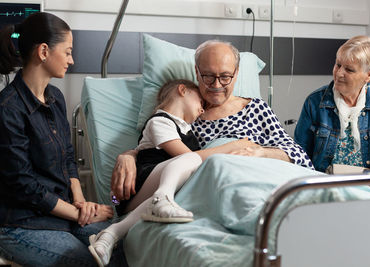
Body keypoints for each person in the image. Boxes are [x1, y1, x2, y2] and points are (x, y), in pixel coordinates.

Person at [110, 39, 313, 203]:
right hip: (222, 193)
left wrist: (260, 152)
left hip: (272, 181)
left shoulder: (257, 108)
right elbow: (155, 149)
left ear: (236, 75)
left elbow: (299, 156)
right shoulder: (186, 118)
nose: (217, 85)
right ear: (197, 72)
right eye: (208, 76)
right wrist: (129, 155)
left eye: (225, 77)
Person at [0, 12, 127, 266]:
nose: (72, 59)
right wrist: (81, 213)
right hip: (21, 223)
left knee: (122, 246)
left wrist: (80, 201)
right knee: (87, 261)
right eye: (67, 52)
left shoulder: (55, 97)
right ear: (44, 51)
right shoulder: (8, 108)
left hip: (63, 214)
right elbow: (25, 187)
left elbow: (68, 157)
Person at [88, 79, 254, 266]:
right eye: (200, 102)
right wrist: (233, 145)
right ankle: (162, 197)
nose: (202, 110)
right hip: (134, 188)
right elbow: (188, 157)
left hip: (152, 192)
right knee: (190, 161)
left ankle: (110, 235)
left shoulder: (187, 130)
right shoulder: (159, 121)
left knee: (183, 178)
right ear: (182, 90)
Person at [294, 35, 370, 196]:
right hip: (327, 187)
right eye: (338, 65)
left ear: (369, 75)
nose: (339, 73)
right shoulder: (315, 102)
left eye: (349, 69)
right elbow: (299, 153)